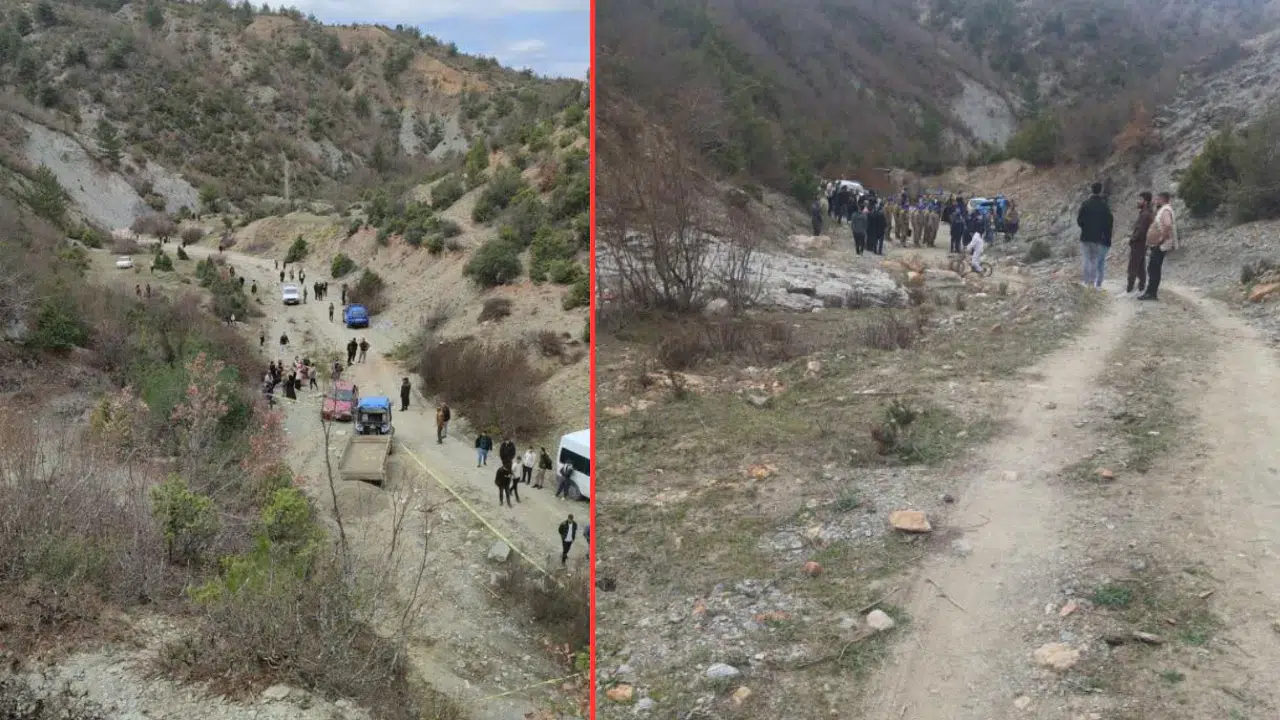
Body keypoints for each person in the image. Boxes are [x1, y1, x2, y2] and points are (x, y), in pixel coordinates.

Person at [1077, 182, 1114, 290]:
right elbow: (1109, 221)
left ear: (1091, 190)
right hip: (1098, 237)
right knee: (1094, 260)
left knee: (1086, 259)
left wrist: (1085, 227)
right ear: (1100, 190)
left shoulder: (1085, 204)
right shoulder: (1104, 205)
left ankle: (1086, 281)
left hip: (1085, 236)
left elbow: (1079, 220)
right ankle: (1093, 283)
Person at [1140, 191, 1177, 301]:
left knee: (1154, 268)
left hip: (1160, 245)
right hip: (1158, 244)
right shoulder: (1163, 209)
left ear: (1162, 199)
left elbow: (1168, 224)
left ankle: (1151, 293)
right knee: (1153, 268)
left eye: (1157, 199)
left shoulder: (1165, 210)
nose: (1155, 201)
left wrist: (1162, 238)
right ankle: (1151, 292)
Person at [1128, 192, 1155, 295]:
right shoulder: (1146, 213)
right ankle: (1141, 288)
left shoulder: (1145, 214)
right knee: (1140, 267)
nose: (1137, 201)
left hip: (1139, 244)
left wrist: (1133, 239)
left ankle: (1129, 290)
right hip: (1142, 244)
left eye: (1139, 199)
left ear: (1145, 201)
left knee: (1133, 266)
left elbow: (1141, 231)